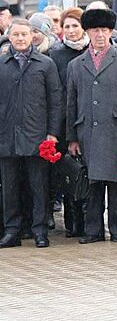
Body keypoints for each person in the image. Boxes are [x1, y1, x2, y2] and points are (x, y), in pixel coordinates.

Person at [66, 9, 117, 244]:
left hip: (115, 129)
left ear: (111, 32)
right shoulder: (76, 65)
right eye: (95, 30)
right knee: (92, 183)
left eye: (105, 30)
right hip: (87, 130)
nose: (100, 35)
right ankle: (93, 230)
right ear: (87, 32)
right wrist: (72, 137)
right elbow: (71, 103)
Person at [0, 18, 62, 249]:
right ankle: (12, 230)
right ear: (10, 37)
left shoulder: (45, 64)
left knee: (39, 186)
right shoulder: (2, 64)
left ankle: (39, 231)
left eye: (25, 34)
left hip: (37, 136)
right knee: (10, 187)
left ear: (32, 36)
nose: (21, 39)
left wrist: (52, 133)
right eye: (16, 35)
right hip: (7, 136)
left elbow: (56, 102)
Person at [49, 7, 90, 237]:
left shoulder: (92, 51)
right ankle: (72, 222)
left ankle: (88, 221)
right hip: (66, 121)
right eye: (67, 26)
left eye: (75, 25)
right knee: (69, 172)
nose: (72, 31)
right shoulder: (56, 55)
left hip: (89, 119)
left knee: (88, 172)